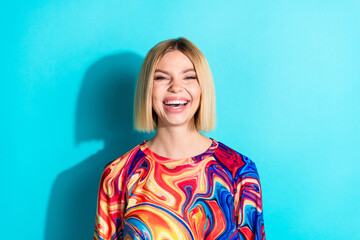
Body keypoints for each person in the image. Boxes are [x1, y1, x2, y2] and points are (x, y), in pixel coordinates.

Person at [94, 37, 265, 240]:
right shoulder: (117, 175)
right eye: (161, 78)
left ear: (203, 88)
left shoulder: (239, 171)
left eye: (189, 77)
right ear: (147, 90)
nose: (176, 87)